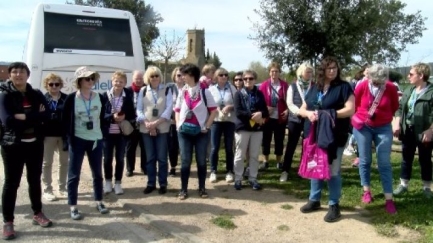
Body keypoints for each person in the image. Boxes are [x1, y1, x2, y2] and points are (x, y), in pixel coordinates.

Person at [0, 62, 52, 240]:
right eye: (14, 71)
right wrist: (34, 118)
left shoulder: (35, 94)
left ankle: (37, 213)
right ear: (10, 75)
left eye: (22, 71)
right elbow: (8, 121)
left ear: (27, 75)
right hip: (12, 145)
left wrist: (24, 116)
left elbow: (47, 115)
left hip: (34, 144)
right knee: (11, 183)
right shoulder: (4, 95)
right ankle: (8, 221)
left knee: (34, 180)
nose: (18, 74)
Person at [298, 56, 354, 223]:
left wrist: (330, 114)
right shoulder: (315, 87)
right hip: (314, 134)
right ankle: (314, 200)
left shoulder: (344, 87)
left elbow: (351, 109)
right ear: (323, 70)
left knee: (333, 170)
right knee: (315, 165)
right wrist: (308, 114)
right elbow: (302, 108)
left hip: (335, 135)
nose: (332, 71)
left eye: (335, 68)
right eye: (329, 68)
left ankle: (333, 204)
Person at [63, 66, 109, 220]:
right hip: (78, 140)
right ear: (79, 81)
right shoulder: (71, 99)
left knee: (97, 173)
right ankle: (73, 206)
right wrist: (68, 140)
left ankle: (99, 201)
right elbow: (65, 120)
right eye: (87, 78)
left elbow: (103, 117)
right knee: (74, 174)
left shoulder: (100, 97)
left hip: (96, 139)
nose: (90, 81)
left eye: (92, 78)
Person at [352, 64, 399, 214]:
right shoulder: (362, 86)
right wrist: (359, 118)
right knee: (365, 160)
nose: (376, 84)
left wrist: (389, 121)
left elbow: (395, 107)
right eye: (374, 80)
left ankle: (389, 199)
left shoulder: (390, 88)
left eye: (380, 81)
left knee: (384, 162)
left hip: (383, 127)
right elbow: (354, 104)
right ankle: (366, 191)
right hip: (363, 126)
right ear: (368, 77)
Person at [174, 63, 217, 200]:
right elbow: (177, 110)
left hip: (201, 133)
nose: (182, 78)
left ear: (191, 75)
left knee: (201, 161)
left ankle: (202, 188)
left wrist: (207, 127)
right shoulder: (183, 91)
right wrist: (178, 125)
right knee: (185, 160)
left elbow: (213, 111)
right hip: (184, 132)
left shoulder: (205, 92)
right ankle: (183, 189)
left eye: (184, 75)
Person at [393, 62, 433, 199]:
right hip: (408, 130)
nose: (408, 76)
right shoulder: (409, 90)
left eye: (411, 74)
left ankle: (427, 187)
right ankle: (403, 185)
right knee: (406, 158)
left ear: (421, 75)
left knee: (425, 159)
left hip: (424, 132)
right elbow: (399, 108)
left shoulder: (431, 91)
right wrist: (397, 123)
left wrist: (430, 130)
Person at [137, 66, 173, 195]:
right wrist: (148, 124)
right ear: (148, 78)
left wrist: (156, 124)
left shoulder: (167, 90)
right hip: (146, 128)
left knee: (162, 158)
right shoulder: (142, 91)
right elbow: (139, 109)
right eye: (152, 76)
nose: (155, 78)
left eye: (157, 75)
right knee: (150, 158)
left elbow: (169, 109)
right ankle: (150, 183)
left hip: (162, 128)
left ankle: (163, 183)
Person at [233, 70, 269, 190]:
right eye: (245, 79)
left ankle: (253, 178)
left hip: (257, 128)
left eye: (251, 78)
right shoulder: (238, 94)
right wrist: (253, 116)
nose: (248, 81)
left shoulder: (259, 94)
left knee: (254, 155)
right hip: (243, 127)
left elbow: (265, 111)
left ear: (255, 80)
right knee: (240, 154)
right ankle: (238, 178)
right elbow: (238, 112)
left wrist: (261, 113)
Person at [102, 71, 135, 195]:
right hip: (108, 134)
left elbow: (133, 114)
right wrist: (112, 117)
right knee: (107, 159)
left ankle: (118, 183)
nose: (118, 83)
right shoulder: (105, 96)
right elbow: (101, 115)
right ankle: (108, 182)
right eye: (116, 81)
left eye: (121, 81)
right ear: (112, 81)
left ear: (125, 83)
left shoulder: (128, 97)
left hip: (121, 134)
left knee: (120, 159)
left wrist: (125, 116)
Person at [280, 62, 314, 182]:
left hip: (309, 120)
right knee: (291, 145)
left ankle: (304, 170)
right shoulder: (293, 86)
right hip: (295, 119)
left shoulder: (314, 86)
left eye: (311, 72)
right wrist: (300, 112)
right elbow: (289, 103)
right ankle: (285, 170)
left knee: (307, 146)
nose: (310, 74)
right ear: (301, 73)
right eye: (307, 71)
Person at [41, 73, 68, 201]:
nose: (54, 86)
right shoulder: (42, 99)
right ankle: (47, 190)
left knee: (64, 162)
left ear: (60, 85)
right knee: (47, 163)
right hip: (47, 135)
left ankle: (62, 188)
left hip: (63, 135)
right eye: (51, 84)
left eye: (57, 84)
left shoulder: (66, 99)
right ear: (47, 85)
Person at [208, 68, 237, 183]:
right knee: (214, 147)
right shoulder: (211, 89)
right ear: (216, 77)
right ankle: (213, 171)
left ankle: (229, 171)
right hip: (216, 121)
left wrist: (230, 107)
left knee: (229, 147)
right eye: (221, 75)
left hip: (229, 121)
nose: (224, 77)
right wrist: (217, 109)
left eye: (226, 75)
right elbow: (208, 104)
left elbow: (237, 103)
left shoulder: (232, 88)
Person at [259, 62, 289, 169]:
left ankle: (279, 161)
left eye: (276, 71)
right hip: (267, 118)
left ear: (279, 72)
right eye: (272, 71)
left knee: (279, 140)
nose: (274, 73)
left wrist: (287, 110)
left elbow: (289, 101)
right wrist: (265, 109)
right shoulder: (264, 85)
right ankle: (265, 161)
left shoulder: (285, 85)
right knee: (266, 140)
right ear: (269, 72)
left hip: (280, 117)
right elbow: (259, 101)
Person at [125, 70, 147, 177]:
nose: (139, 80)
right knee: (130, 147)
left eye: (141, 78)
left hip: (145, 123)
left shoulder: (148, 90)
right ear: (133, 79)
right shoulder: (127, 91)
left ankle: (144, 167)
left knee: (145, 147)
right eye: (136, 78)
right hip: (131, 124)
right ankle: (130, 168)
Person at [166, 67, 184, 176]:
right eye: (178, 75)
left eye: (182, 75)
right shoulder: (169, 88)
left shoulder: (188, 88)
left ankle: (184, 166)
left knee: (183, 146)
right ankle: (172, 167)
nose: (181, 77)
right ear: (174, 76)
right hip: (171, 121)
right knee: (172, 146)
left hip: (185, 121)